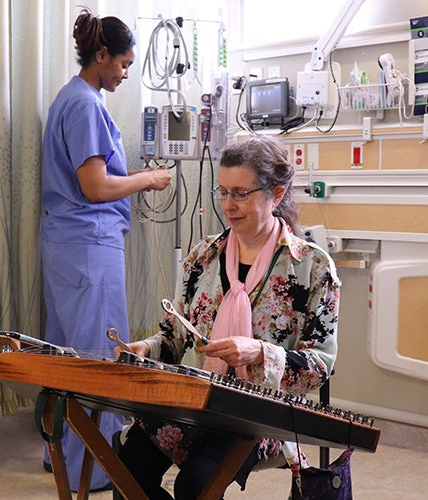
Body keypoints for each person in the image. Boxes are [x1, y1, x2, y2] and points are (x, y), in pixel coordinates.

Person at [113, 134, 341, 500]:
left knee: (196, 485)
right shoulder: (204, 256)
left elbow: (320, 365)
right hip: (192, 401)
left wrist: (258, 353)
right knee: (126, 466)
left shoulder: (312, 267)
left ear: (276, 195)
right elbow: (175, 338)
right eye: (222, 192)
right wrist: (145, 348)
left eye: (241, 193)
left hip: (260, 415)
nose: (228, 205)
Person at [40, 6, 172, 492]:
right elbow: (95, 187)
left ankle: (64, 457)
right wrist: (149, 179)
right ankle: (89, 470)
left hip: (69, 246)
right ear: (101, 54)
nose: (124, 73)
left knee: (68, 356)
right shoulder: (85, 105)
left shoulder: (70, 100)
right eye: (123, 64)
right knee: (97, 360)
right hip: (88, 246)